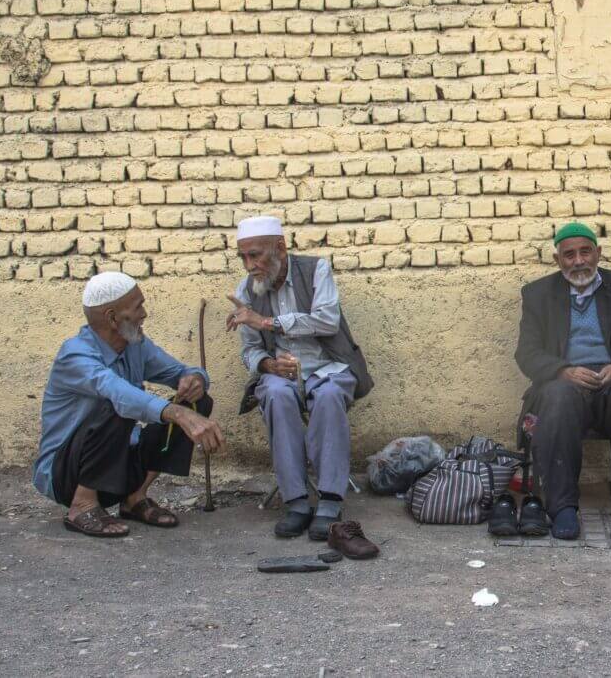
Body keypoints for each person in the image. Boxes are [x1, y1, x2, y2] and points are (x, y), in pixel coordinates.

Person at [34, 272, 224, 538]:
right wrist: (176, 413)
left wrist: (194, 379)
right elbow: (117, 393)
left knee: (196, 402)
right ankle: (82, 506)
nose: (144, 313)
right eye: (138, 307)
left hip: (118, 469)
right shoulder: (75, 355)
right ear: (112, 317)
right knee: (118, 404)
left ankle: (135, 498)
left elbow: (180, 371)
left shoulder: (135, 345)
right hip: (67, 475)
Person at [514, 221, 611, 539]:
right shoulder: (538, 294)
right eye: (569, 255)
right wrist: (561, 370)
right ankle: (563, 506)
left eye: (586, 252)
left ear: (598, 253)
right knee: (558, 396)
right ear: (558, 260)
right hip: (566, 383)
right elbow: (526, 353)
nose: (579, 261)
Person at [227, 216, 373, 540]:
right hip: (282, 375)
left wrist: (267, 322)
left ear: (279, 247)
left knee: (330, 395)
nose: (250, 265)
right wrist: (266, 365)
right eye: (244, 258)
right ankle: (295, 502)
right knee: (276, 395)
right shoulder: (246, 290)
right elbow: (250, 351)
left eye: (255, 255)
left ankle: (330, 502)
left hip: (327, 365)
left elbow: (327, 321)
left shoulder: (315, 270)